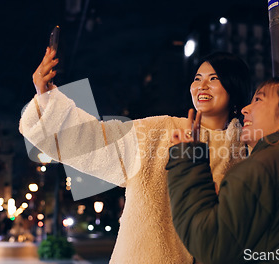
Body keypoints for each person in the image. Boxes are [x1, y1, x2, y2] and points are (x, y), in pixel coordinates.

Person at [19, 47, 251, 263]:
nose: (202, 86)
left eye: (214, 79)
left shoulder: (247, 151)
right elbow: (93, 138)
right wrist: (46, 97)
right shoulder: (161, 131)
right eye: (197, 79)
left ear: (234, 87)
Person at [166, 78, 279, 264]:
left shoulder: (266, 165)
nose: (245, 109)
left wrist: (186, 158)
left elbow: (211, 245)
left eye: (258, 100)